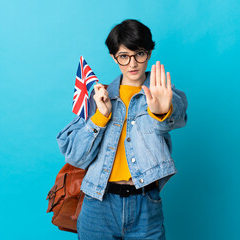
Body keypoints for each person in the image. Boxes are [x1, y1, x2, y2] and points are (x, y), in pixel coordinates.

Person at [57, 19, 188, 240]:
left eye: (140, 54)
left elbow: (179, 113)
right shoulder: (99, 96)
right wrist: (101, 115)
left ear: (149, 52)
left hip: (145, 205)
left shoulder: (161, 93)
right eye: (124, 56)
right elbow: (75, 155)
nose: (133, 63)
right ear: (114, 57)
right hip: (98, 204)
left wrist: (161, 110)